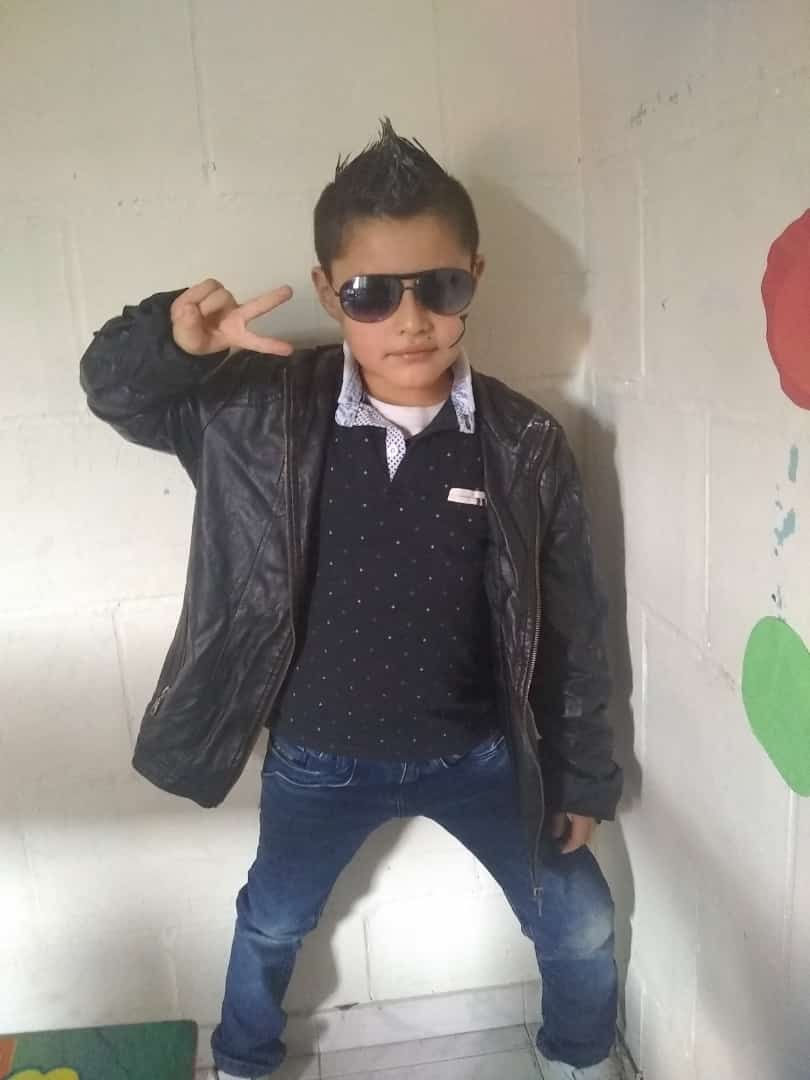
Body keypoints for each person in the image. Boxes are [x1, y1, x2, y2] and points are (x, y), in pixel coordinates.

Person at [79, 116, 624, 1080]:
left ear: (474, 278)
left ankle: (581, 1057)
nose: (410, 320)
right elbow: (116, 396)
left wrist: (580, 774)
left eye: (439, 287)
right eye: (372, 293)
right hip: (317, 759)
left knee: (578, 918)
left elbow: (574, 623)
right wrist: (175, 341)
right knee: (271, 919)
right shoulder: (253, 410)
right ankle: (243, 1059)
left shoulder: (525, 441)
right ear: (329, 290)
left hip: (484, 754)